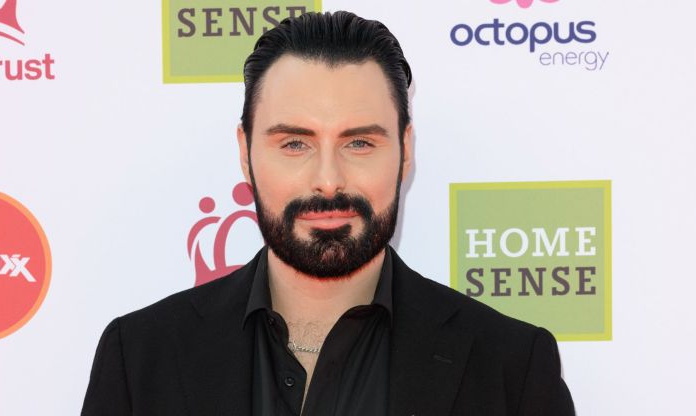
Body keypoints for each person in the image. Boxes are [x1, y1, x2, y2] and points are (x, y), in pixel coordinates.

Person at [81, 11, 575, 416]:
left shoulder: (511, 366)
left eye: (359, 143)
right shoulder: (140, 357)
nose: (328, 179)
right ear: (245, 153)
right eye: (294, 143)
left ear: (405, 150)